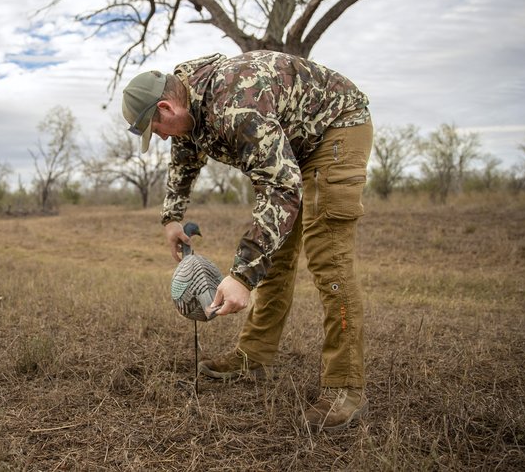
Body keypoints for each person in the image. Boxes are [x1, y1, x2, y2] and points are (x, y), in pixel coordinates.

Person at [121, 50, 374, 432]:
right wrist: (172, 217)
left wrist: (240, 275)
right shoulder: (189, 107)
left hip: (335, 129)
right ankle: (253, 357)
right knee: (276, 258)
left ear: (165, 107)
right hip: (290, 147)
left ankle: (345, 388)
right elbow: (185, 158)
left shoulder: (234, 105)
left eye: (154, 128)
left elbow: (280, 186)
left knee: (329, 261)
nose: (157, 136)